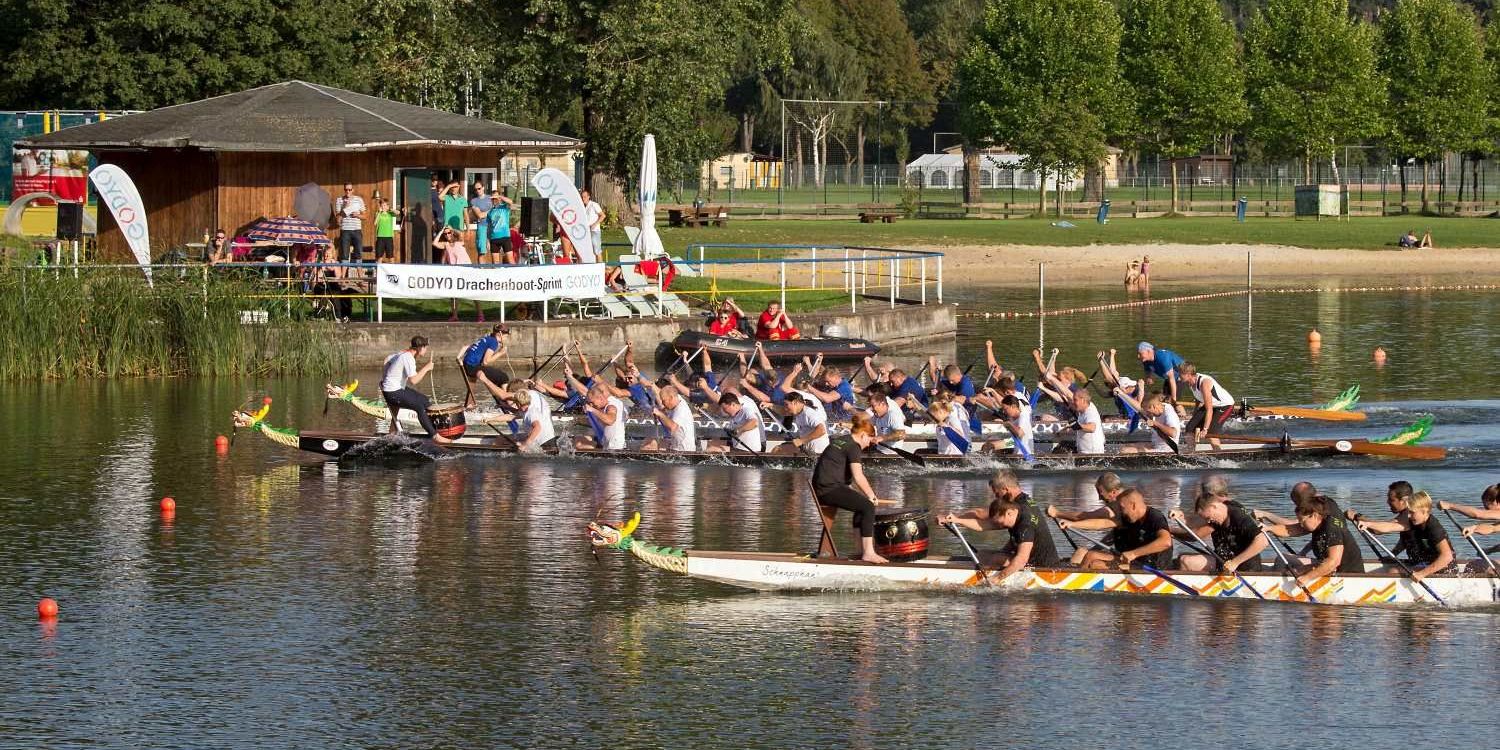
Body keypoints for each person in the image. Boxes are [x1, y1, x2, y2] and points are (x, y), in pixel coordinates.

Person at [811, 413, 890, 564]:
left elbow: (842, 474)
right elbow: (858, 476)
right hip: (828, 489)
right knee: (867, 507)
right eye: (870, 439)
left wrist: (863, 495)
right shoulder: (854, 447)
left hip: (824, 487)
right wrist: (871, 496)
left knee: (860, 505)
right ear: (862, 435)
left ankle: (860, 551)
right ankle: (868, 553)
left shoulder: (842, 440)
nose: (869, 443)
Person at [937, 495, 1061, 580]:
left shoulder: (1025, 525)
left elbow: (1022, 559)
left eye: (1000, 523)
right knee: (982, 554)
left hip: (1043, 567)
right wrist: (957, 520)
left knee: (997, 558)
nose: (999, 526)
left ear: (1009, 513)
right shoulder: (1016, 513)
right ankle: (967, 575)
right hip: (1031, 560)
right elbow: (983, 525)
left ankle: (974, 579)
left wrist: (997, 578)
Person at [1256, 494, 1366, 584]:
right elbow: (1291, 530)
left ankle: (1275, 585)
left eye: (1302, 521)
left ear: (1313, 515)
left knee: (1282, 560)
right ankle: (1271, 578)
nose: (1301, 525)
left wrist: (1307, 578)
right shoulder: (1320, 520)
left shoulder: (1331, 529)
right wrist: (1269, 528)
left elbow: (1333, 562)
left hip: (1346, 573)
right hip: (1327, 566)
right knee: (1282, 560)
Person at [1168, 475, 1267, 573]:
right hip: (1224, 559)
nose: (1208, 521)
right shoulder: (1216, 514)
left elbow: (1262, 541)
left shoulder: (1236, 515)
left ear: (1214, 502)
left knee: (1186, 561)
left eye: (1206, 494)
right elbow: (1196, 522)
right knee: (1182, 556)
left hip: (1242, 568)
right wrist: (1180, 516)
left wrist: (1235, 562)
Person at [1058, 488, 1174, 571]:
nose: (1121, 512)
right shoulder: (1128, 517)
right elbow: (1101, 523)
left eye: (1122, 508)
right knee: (1091, 555)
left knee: (1094, 561)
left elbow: (1166, 542)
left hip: (1153, 567)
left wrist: (1134, 553)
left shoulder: (1155, 517)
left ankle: (1076, 586)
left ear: (1133, 505)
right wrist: (1072, 524)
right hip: (1134, 561)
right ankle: (1077, 582)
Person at [1352, 490, 1454, 579]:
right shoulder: (1414, 522)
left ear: (1424, 511)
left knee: (1393, 572)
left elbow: (1447, 557)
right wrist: (1368, 524)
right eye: (1408, 512)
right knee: (1393, 567)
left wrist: (1422, 574)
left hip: (1444, 569)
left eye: (1412, 512)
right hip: (1424, 563)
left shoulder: (1434, 528)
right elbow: (1389, 527)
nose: (1409, 516)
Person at [379, 336, 451, 444]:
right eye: (425, 347)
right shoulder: (408, 358)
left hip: (394, 389)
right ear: (420, 348)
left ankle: (392, 434)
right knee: (419, 406)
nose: (426, 350)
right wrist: (426, 368)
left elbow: (386, 360)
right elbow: (414, 380)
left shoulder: (403, 353)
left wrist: (384, 380)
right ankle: (435, 436)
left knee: (424, 400)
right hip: (392, 392)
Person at [1047, 473, 1127, 566]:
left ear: (1113, 492)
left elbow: (1087, 517)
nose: (1099, 497)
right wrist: (1096, 548)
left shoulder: (1118, 505)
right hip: (1122, 554)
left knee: (1090, 556)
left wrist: (1057, 513)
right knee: (1082, 552)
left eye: (1100, 492)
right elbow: (1113, 535)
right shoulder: (1122, 503)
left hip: (1130, 558)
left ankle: (1070, 576)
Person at [1178, 362, 1234, 449]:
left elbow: (1209, 410)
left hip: (1225, 406)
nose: (1179, 376)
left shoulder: (1204, 383)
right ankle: (1191, 452)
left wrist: (1205, 429)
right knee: (1190, 428)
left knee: (1211, 433)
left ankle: (1218, 454)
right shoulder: (1190, 382)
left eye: (1181, 374)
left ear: (1188, 374)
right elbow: (1198, 399)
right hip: (1211, 406)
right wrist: (1195, 415)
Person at [433, 227, 483, 322]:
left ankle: (480, 315)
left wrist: (452, 229)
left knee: (473, 293)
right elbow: (434, 243)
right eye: (445, 234)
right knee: (454, 295)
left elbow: (461, 234)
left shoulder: (460, 242)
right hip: (455, 271)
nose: (447, 235)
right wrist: (441, 231)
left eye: (449, 233)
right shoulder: (446, 244)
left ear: (452, 233)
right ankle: (455, 315)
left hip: (466, 270)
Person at [1112, 389, 1180, 454]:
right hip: (1155, 445)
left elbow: (1173, 433)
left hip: (1166, 450)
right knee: (1123, 447)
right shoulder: (1157, 407)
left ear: (1154, 407)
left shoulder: (1169, 412)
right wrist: (1121, 393)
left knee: (1125, 451)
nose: (1147, 414)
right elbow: (1137, 407)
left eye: (1147, 411)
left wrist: (1155, 423)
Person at [458, 324, 510, 408]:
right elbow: (486, 361)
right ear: (500, 334)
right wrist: (500, 353)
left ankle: (468, 405)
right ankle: (507, 402)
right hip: (472, 367)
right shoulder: (494, 342)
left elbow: (468, 348)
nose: (506, 339)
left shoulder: (487, 338)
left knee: (492, 374)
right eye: (506, 337)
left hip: (468, 365)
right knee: (504, 377)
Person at [640, 379, 696, 452]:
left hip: (684, 452)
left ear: (671, 398)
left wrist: (660, 414)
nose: (662, 404)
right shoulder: (677, 398)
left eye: (664, 401)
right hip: (676, 449)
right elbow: (662, 392)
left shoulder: (681, 411)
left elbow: (672, 427)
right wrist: (652, 386)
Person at [710, 389, 765, 453]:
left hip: (749, 451)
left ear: (733, 404)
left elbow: (754, 423)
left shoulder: (746, 410)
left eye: (725, 408)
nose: (724, 411)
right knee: (713, 447)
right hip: (738, 450)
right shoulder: (733, 418)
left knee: (711, 449)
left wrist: (738, 430)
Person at [1136, 341, 1186, 411]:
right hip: (1168, 378)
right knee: (1164, 400)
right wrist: (1149, 379)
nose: (1138, 356)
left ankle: (1181, 414)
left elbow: (1172, 379)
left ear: (1149, 351)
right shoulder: (1146, 361)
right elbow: (1148, 374)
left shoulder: (1162, 357)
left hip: (1180, 377)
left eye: (1140, 353)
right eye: (1137, 354)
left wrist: (1174, 400)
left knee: (1173, 401)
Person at [577, 382, 628, 450]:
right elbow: (599, 422)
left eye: (592, 402)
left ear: (600, 398)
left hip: (616, 449)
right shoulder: (601, 410)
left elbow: (610, 421)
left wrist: (592, 409)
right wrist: (578, 421)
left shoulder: (611, 407)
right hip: (606, 447)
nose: (591, 405)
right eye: (589, 403)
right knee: (577, 441)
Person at [776, 391, 829, 455]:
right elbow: (783, 412)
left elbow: (822, 430)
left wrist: (802, 441)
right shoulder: (798, 412)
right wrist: (769, 405)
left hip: (818, 453)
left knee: (778, 450)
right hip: (807, 450)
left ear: (794, 402)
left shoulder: (809, 413)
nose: (786, 408)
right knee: (777, 450)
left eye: (786, 405)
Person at [1066, 388, 1105, 455]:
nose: (1073, 402)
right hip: (1084, 451)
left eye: (1075, 400)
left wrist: (1077, 426)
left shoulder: (1090, 411)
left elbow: (1092, 428)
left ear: (1083, 400)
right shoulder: (1083, 410)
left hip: (1092, 453)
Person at [335, 183, 365, 262]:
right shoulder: (339, 200)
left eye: (350, 189)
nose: (348, 191)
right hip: (345, 230)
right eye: (346, 190)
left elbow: (365, 216)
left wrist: (357, 215)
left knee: (358, 254)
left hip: (357, 230)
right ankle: (343, 275)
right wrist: (344, 207)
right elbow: (338, 219)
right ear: (344, 190)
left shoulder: (359, 199)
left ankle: (360, 274)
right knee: (344, 254)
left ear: (353, 190)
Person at [469, 180, 494, 262]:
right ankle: (481, 270)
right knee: (482, 251)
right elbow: (480, 215)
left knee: (495, 251)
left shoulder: (490, 198)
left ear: (483, 188)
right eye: (475, 189)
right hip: (482, 227)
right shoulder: (474, 201)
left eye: (479, 188)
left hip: (492, 226)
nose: (477, 191)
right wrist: (491, 210)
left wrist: (487, 212)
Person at [582, 188, 604, 260]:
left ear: (589, 197)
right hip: (587, 232)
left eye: (585, 197)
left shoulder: (594, 205)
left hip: (594, 231)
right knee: (591, 251)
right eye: (582, 197)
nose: (583, 198)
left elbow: (603, 215)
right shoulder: (584, 207)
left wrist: (595, 224)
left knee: (597, 250)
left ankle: (600, 268)